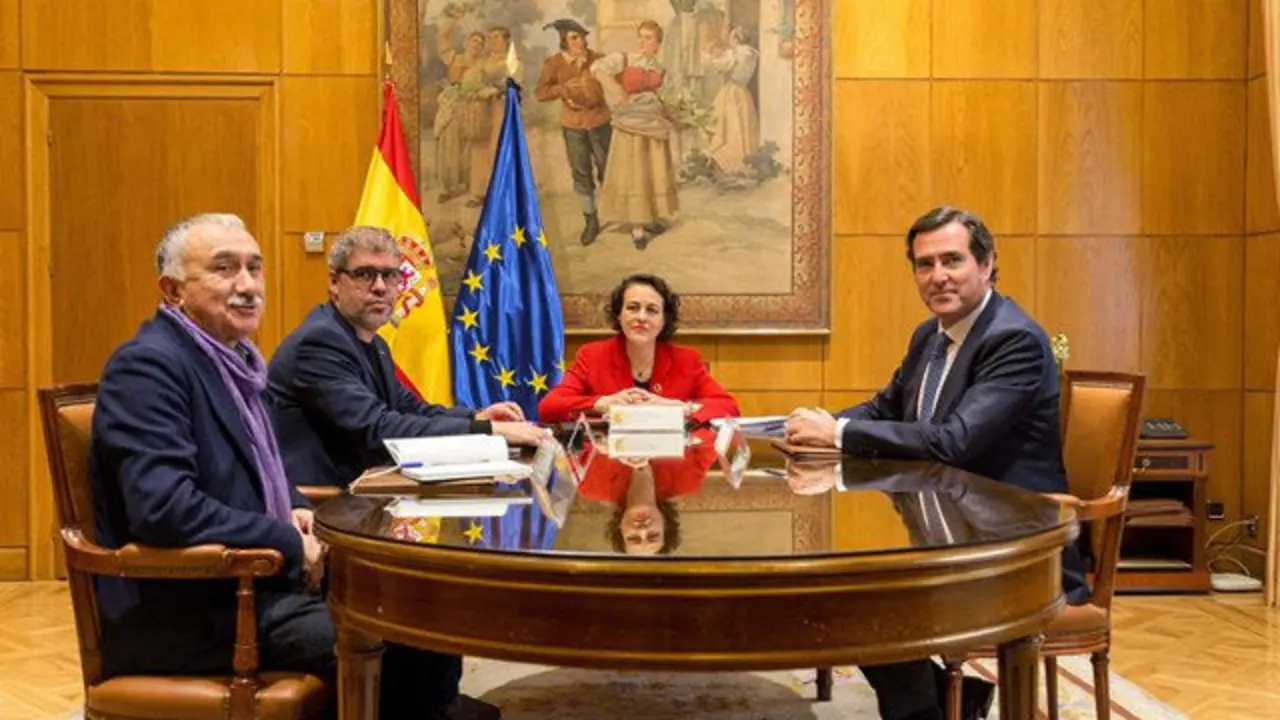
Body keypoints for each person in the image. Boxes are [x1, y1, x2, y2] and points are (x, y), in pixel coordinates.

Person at [91, 213, 497, 719]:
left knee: (423, 601)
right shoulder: (148, 366)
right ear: (172, 290)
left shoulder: (230, 360)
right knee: (400, 634)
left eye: (254, 268)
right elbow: (164, 507)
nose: (247, 286)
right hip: (201, 605)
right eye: (224, 269)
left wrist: (297, 508)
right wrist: (285, 540)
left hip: (253, 584)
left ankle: (434, 709)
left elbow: (263, 469)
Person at [784, 206, 1079, 720]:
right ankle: (944, 703)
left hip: (1012, 547)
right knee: (847, 587)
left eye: (952, 260)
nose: (937, 275)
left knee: (868, 600)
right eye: (924, 264)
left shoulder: (1013, 339)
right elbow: (885, 409)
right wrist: (820, 425)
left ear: (986, 265)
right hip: (948, 526)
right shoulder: (931, 335)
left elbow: (954, 441)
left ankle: (932, 709)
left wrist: (840, 434)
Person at [267, 226, 546, 489]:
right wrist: (486, 430)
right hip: (322, 506)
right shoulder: (318, 343)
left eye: (390, 275)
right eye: (365, 274)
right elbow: (377, 428)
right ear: (334, 282)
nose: (380, 287)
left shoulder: (373, 343)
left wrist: (476, 416)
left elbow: (410, 409)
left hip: (366, 490)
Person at [538, 273, 740, 425]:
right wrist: (601, 403)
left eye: (652, 310)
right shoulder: (592, 356)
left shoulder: (687, 360)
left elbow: (729, 408)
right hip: (608, 466)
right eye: (633, 307)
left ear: (664, 320)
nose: (641, 317)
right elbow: (549, 407)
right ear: (619, 315)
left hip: (671, 465)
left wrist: (677, 407)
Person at [592, 20, 680, 250]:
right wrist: (620, 93)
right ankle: (637, 228)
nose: (642, 41)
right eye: (640, 36)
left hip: (653, 124)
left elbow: (666, 95)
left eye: (648, 37)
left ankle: (650, 217)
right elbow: (597, 69)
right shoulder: (625, 59)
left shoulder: (660, 67)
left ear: (658, 43)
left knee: (652, 171)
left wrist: (676, 112)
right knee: (635, 173)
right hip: (630, 124)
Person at [535, 18, 612, 247]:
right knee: (581, 172)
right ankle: (591, 220)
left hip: (600, 121)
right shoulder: (554, 63)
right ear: (563, 41)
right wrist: (563, 89)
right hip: (574, 126)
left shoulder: (598, 59)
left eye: (583, 37)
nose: (581, 41)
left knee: (608, 167)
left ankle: (620, 213)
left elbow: (615, 81)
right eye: (575, 38)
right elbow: (540, 92)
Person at [702, 25, 760, 177]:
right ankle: (741, 161)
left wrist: (708, 54)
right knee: (741, 126)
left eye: (731, 36)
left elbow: (717, 67)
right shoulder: (751, 54)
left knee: (728, 126)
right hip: (743, 93)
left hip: (732, 93)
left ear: (736, 38)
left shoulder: (736, 54)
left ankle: (730, 165)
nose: (729, 39)